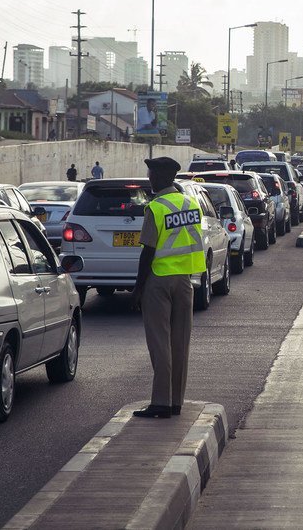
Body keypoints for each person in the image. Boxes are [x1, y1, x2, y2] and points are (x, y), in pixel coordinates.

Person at [131, 156, 206, 419]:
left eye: (152, 175)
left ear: (163, 177)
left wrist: (138, 288)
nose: (149, 179)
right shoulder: (190, 203)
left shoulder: (157, 207)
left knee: (160, 343)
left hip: (158, 279)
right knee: (180, 342)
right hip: (185, 281)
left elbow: (148, 251)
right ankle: (176, 402)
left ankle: (161, 403)